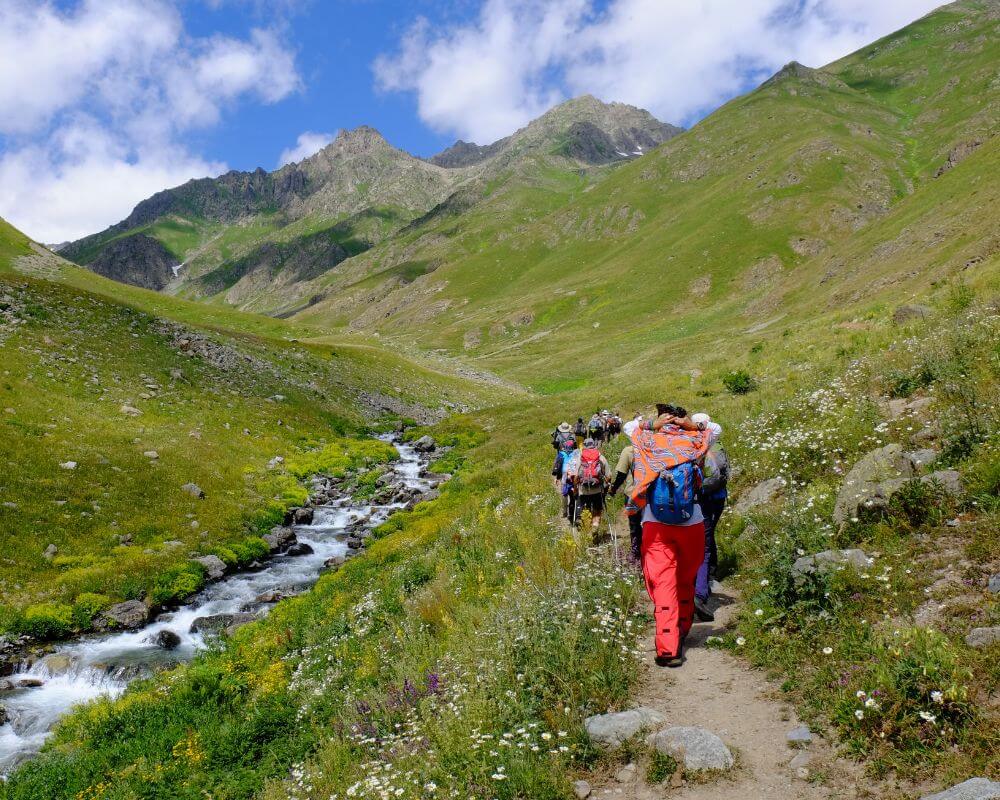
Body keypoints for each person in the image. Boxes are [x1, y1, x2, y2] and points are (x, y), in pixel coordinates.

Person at [629, 409, 710, 668]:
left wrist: (651, 424)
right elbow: (715, 428)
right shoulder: (696, 443)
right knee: (686, 579)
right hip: (693, 522)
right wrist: (691, 426)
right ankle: (684, 627)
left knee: (664, 585)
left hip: (656, 524)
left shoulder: (648, 442)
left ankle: (668, 647)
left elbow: (631, 427)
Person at [691, 413, 729, 622]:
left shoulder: (689, 445)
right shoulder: (715, 443)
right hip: (717, 497)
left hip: (698, 500)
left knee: (701, 544)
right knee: (706, 541)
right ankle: (705, 583)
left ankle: (700, 587)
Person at [608, 439, 642, 560]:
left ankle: (635, 552)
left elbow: (621, 475)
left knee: (634, 524)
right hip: (651, 493)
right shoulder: (655, 448)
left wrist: (613, 488)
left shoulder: (629, 451)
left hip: (632, 493)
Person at [566, 437, 610, 531]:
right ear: (594, 445)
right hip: (597, 490)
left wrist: (575, 490)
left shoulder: (580, 458)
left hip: (584, 491)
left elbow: (576, 477)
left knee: (586, 511)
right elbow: (608, 476)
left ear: (584, 446)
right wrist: (606, 488)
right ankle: (595, 525)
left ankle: (587, 531)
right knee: (597, 511)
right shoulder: (600, 457)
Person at [551, 437, 578, 519]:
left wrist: (557, 478)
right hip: (574, 478)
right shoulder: (576, 454)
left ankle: (565, 512)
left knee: (564, 495)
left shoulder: (561, 454)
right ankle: (572, 512)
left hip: (564, 478)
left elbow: (558, 467)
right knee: (573, 496)